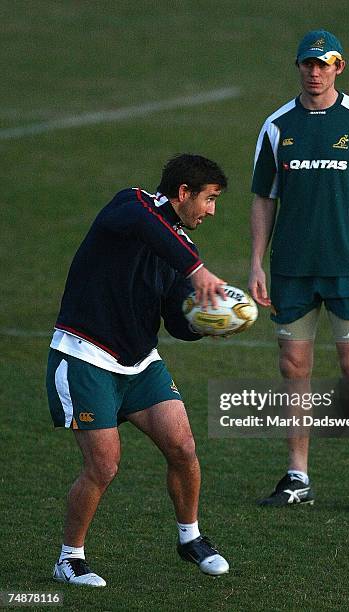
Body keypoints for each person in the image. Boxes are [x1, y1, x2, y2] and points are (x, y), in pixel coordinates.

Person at [47, 154, 230, 587]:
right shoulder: (129, 206)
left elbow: (175, 322)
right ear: (183, 193)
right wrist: (197, 269)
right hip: (85, 358)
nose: (212, 211)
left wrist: (205, 323)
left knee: (183, 447)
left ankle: (191, 537)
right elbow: (152, 229)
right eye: (209, 199)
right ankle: (68, 559)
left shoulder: (182, 250)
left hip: (140, 364)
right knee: (104, 466)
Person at [249, 30, 349, 512]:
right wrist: (256, 261)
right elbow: (262, 198)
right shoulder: (277, 126)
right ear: (298, 67)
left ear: (339, 67)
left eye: (324, 64)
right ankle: (298, 477)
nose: (314, 72)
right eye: (307, 64)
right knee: (294, 370)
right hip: (292, 271)